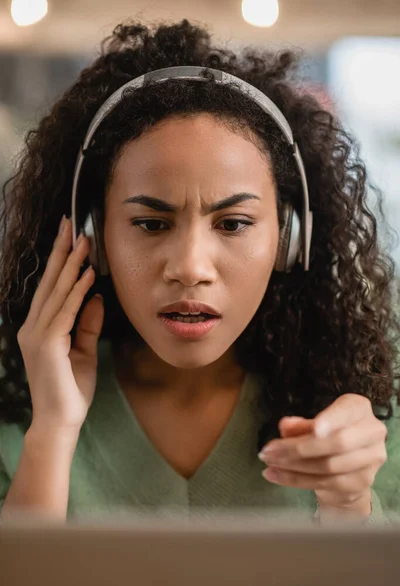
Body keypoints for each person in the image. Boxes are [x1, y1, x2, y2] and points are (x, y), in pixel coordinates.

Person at [0, 19, 399, 523]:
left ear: (290, 237)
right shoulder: (12, 386)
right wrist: (52, 432)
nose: (190, 268)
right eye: (149, 223)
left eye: (233, 223)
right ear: (94, 235)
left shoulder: (373, 390)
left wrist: (348, 501)